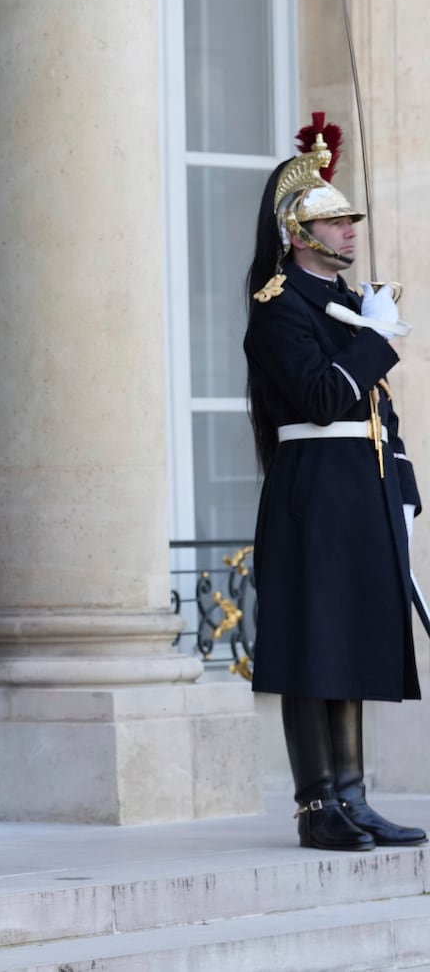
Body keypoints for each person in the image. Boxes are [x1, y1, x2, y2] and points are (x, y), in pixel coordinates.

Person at [243, 117, 425, 852]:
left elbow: (380, 414)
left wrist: (404, 488)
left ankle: (353, 795)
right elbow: (322, 398)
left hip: (359, 488)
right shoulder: (280, 308)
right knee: (310, 645)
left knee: (346, 641)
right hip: (312, 490)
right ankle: (316, 802)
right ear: (298, 232)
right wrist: (376, 341)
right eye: (333, 221)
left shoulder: (346, 306)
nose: (349, 231)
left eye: (349, 220)